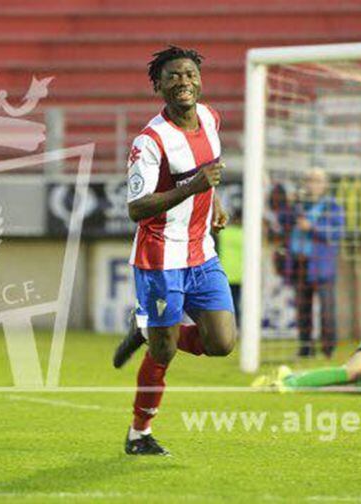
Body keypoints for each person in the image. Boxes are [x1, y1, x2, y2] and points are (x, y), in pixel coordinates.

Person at [111, 46, 236, 456]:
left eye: (189, 74)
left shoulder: (211, 118)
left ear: (199, 79)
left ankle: (146, 328)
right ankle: (139, 434)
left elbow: (208, 174)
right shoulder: (150, 141)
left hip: (202, 252)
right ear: (158, 85)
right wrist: (193, 188)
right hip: (161, 257)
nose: (183, 82)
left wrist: (212, 201)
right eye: (173, 77)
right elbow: (136, 208)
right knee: (164, 351)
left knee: (221, 342)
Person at [287, 169, 344, 358]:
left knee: (327, 309)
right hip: (300, 262)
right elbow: (281, 223)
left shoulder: (332, 206)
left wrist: (313, 228)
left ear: (325, 184)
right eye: (309, 180)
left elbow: (336, 234)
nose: (313, 184)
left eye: (317, 180)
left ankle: (328, 349)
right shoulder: (298, 205)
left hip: (322, 265)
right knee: (303, 309)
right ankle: (305, 349)